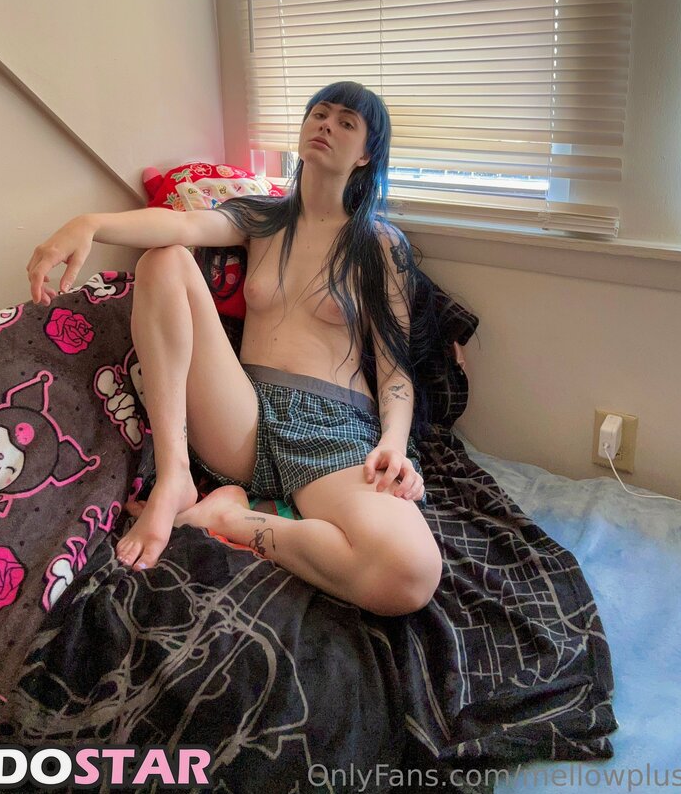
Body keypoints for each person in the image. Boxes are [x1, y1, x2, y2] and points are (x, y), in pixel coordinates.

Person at [26, 81, 443, 616]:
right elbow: (181, 223)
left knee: (409, 572)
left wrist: (393, 442)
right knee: (165, 258)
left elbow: (394, 370)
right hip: (243, 415)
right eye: (319, 113)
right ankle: (176, 478)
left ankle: (233, 518)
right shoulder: (263, 217)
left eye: (346, 122)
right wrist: (89, 223)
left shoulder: (381, 245)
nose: (326, 125)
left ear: (366, 154)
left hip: (335, 432)